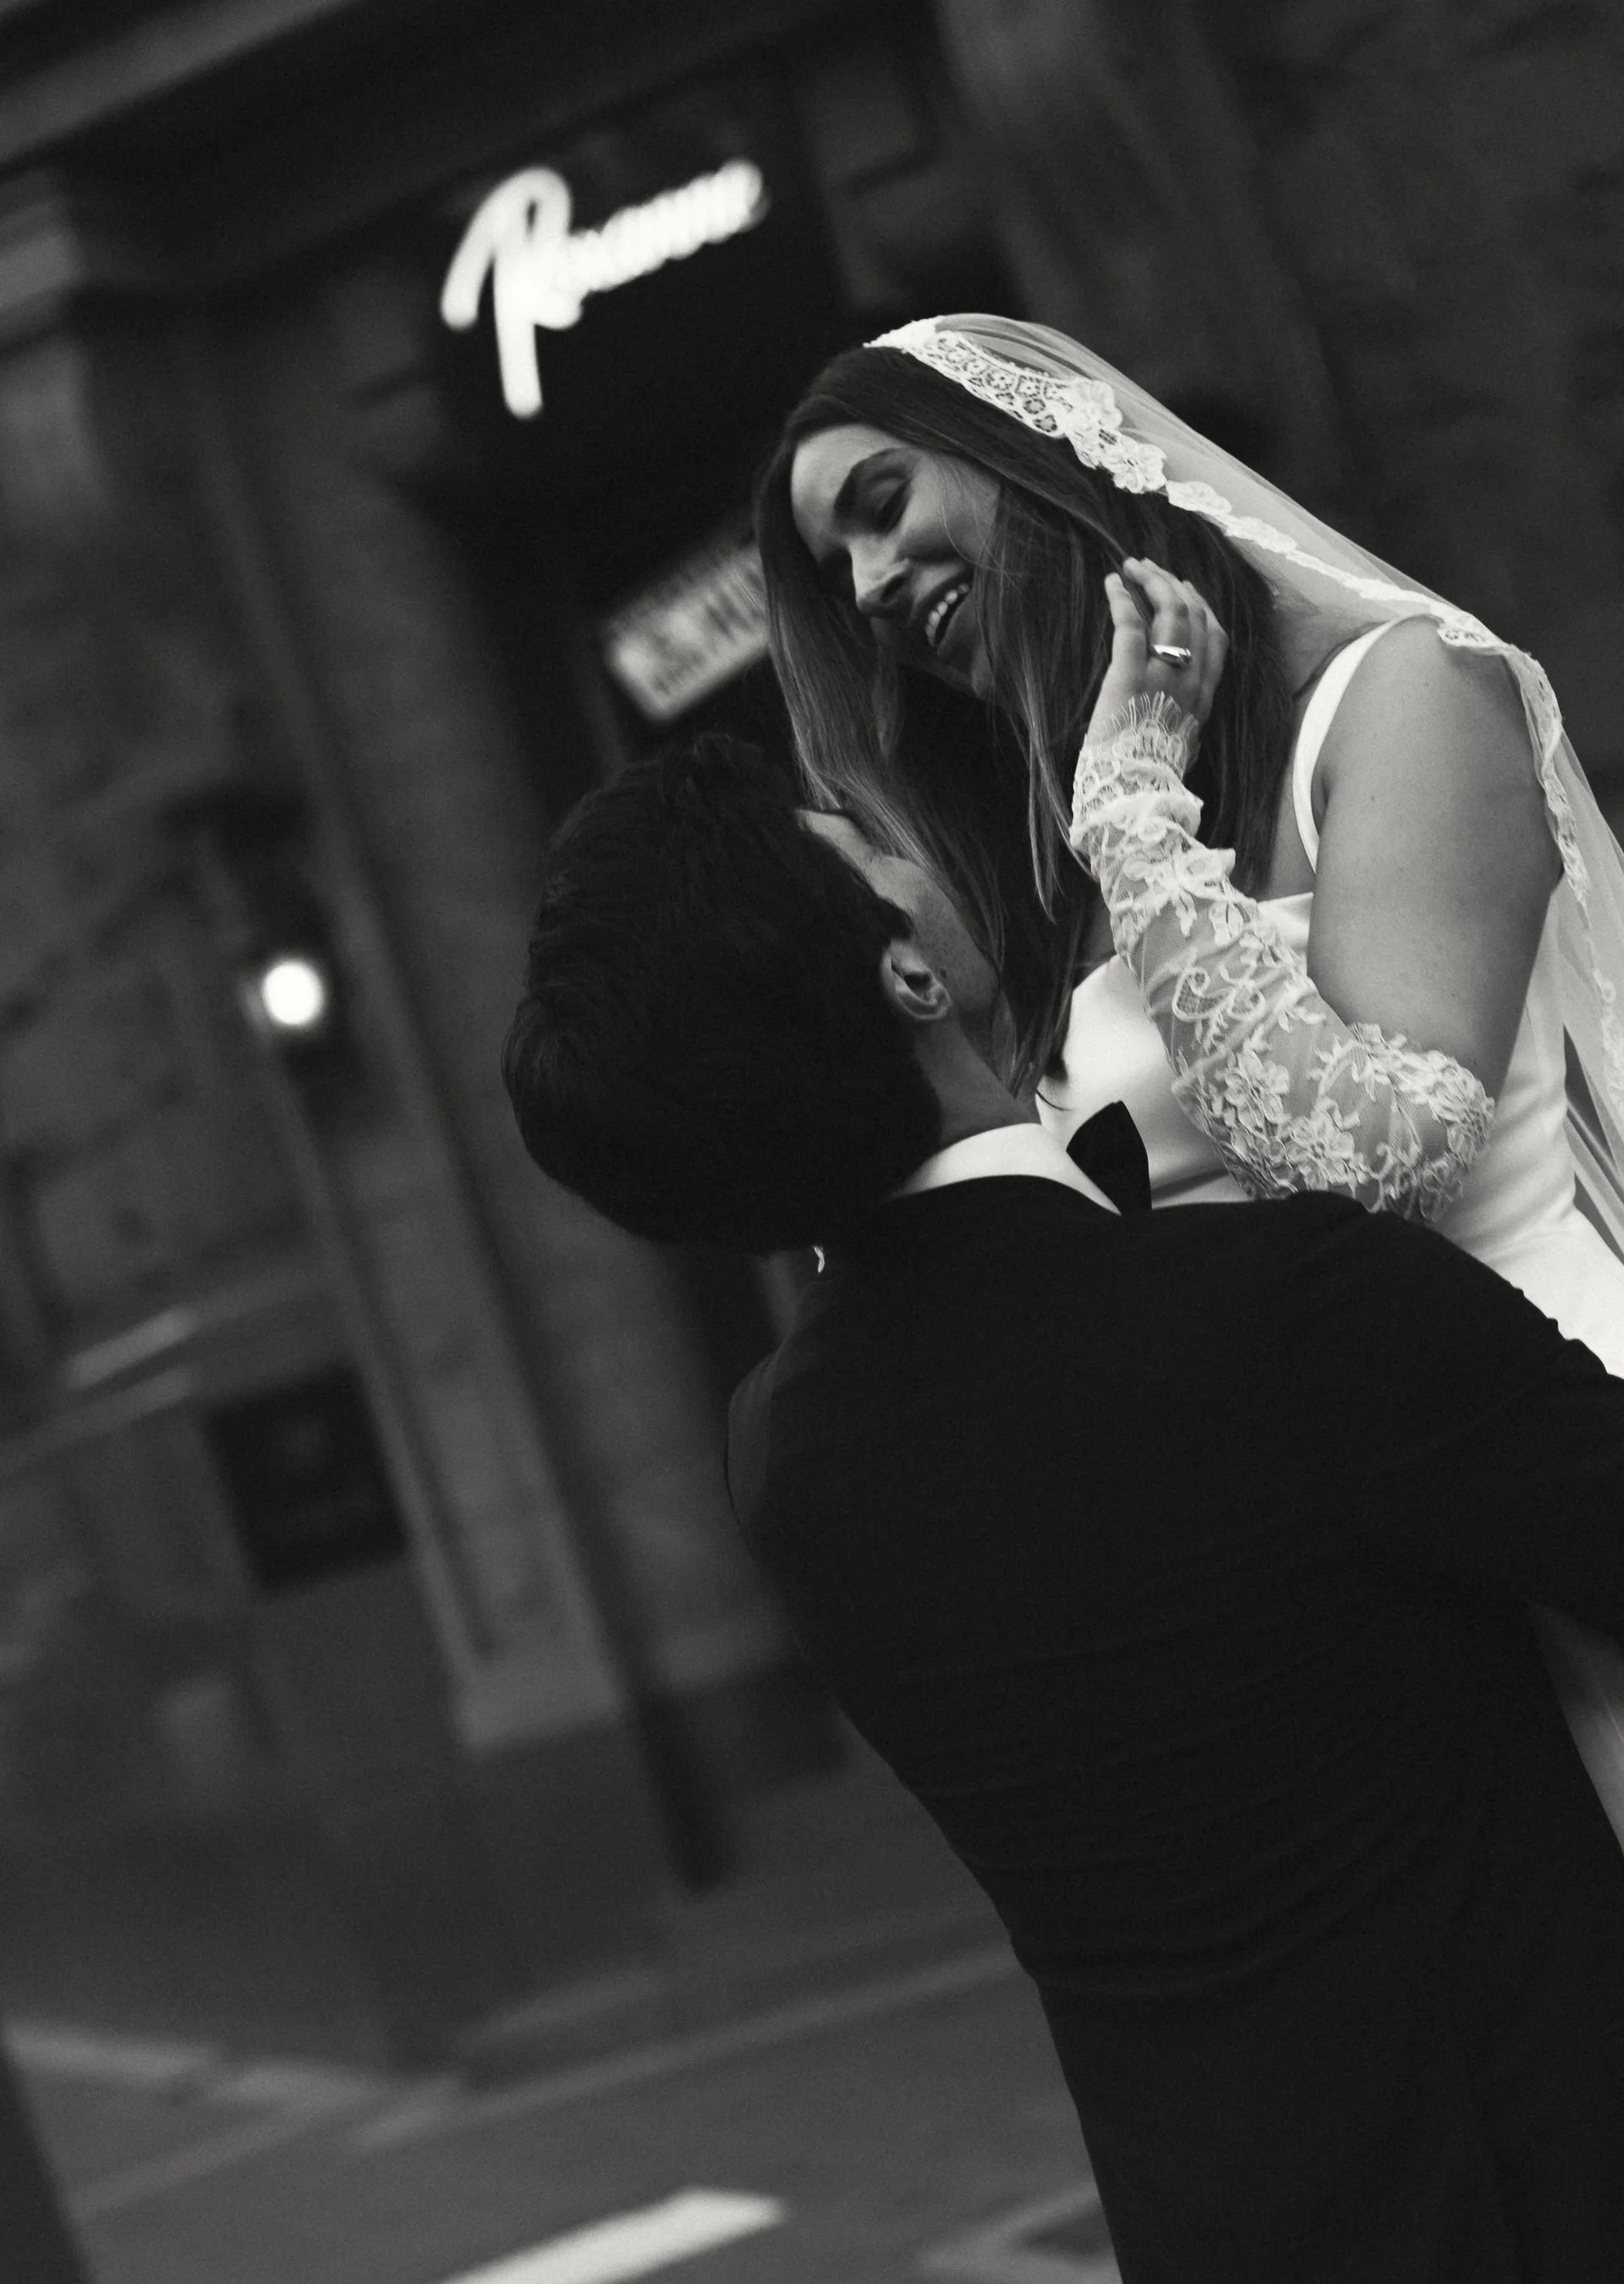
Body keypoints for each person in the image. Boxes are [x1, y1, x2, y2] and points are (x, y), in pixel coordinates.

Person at [502, 713, 1624, 2281]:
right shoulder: (1280, 1310)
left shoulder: (781, 1462)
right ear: (903, 975)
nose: (911, 841)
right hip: (1543, 2192)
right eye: (868, 840)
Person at [754, 310, 1624, 1820]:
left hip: (1570, 1450)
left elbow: (1368, 1168)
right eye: (841, 574)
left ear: (1030, 449)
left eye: (882, 507)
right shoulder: (1073, 866)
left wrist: (1139, 817)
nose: (874, 585)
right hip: (1382, 1555)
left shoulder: (1406, 695)